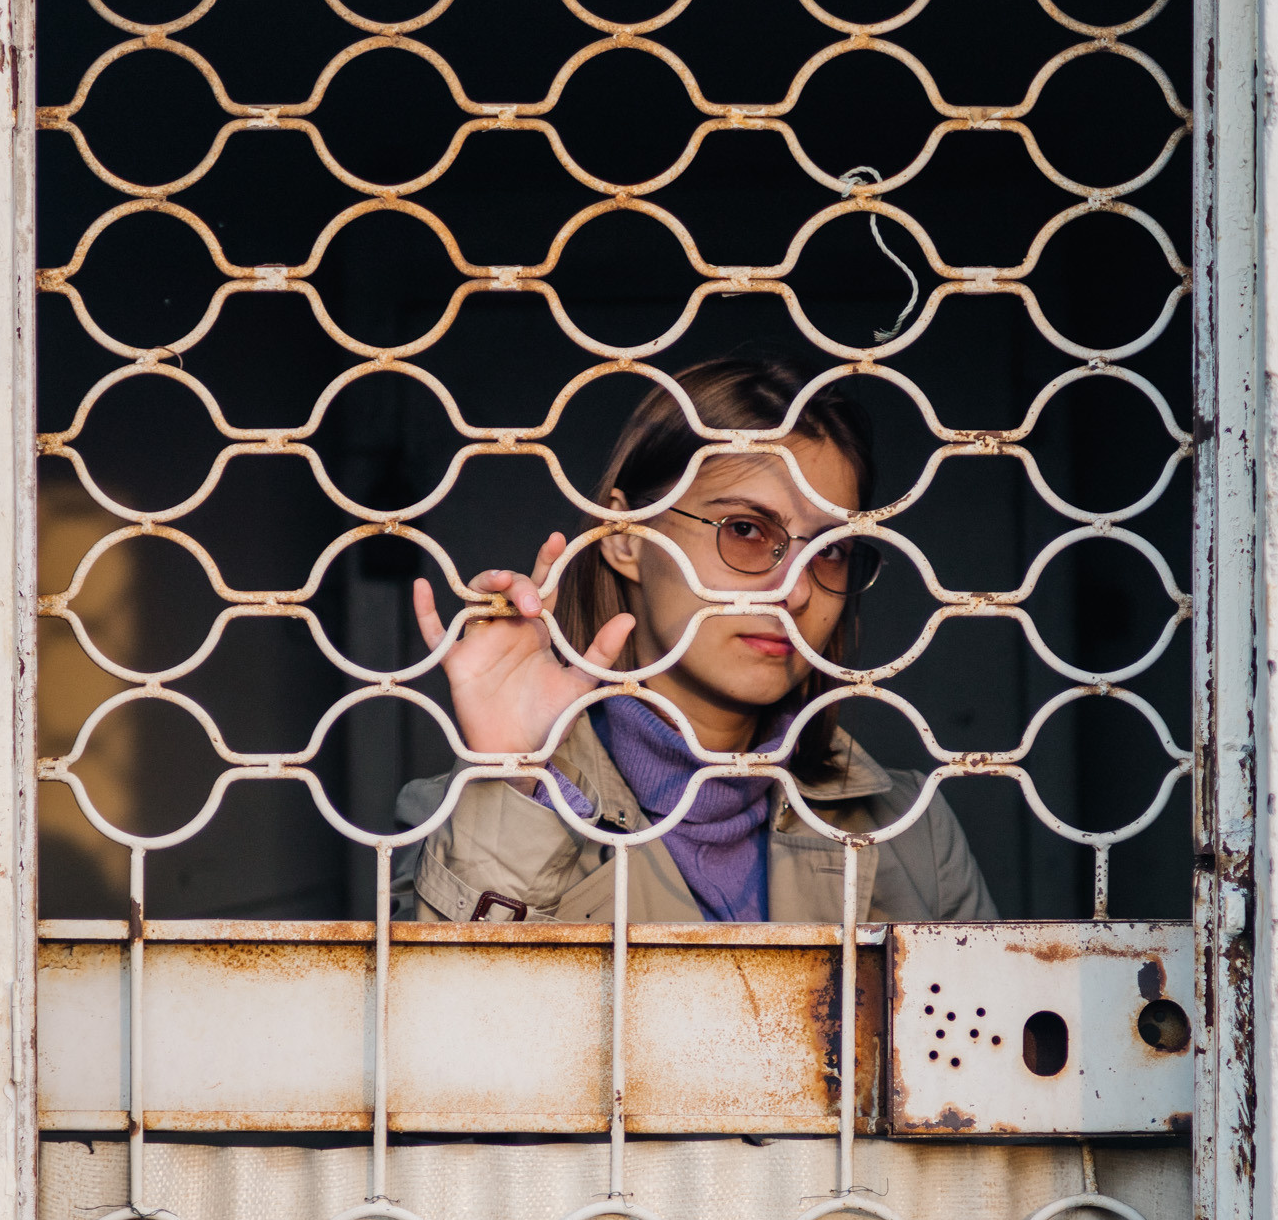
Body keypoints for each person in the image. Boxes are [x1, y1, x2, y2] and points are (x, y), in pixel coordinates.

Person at [394, 355, 995, 927]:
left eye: (830, 549)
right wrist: (516, 778)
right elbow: (440, 1024)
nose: (796, 592)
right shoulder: (454, 813)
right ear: (625, 536)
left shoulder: (914, 830)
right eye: (745, 530)